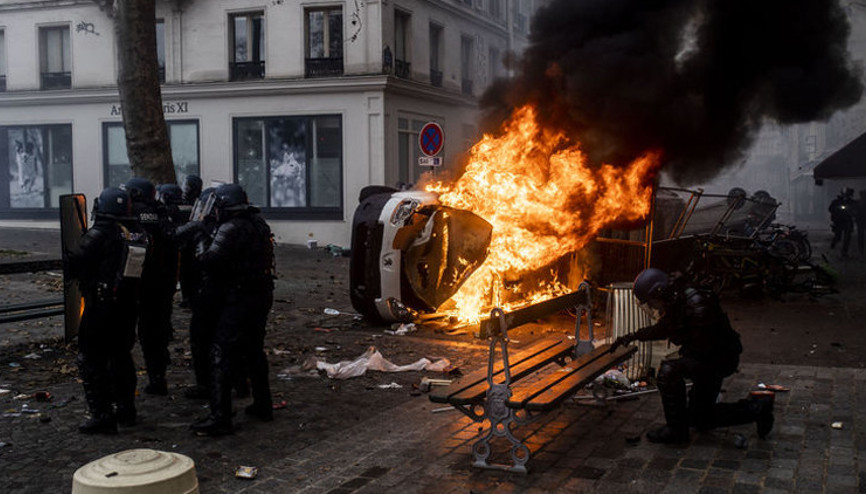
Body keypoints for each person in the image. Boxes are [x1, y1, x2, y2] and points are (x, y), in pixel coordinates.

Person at [611, 268, 773, 444]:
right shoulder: (678, 299)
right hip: (710, 358)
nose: (653, 307)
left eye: (652, 301)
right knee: (700, 418)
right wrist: (631, 337)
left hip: (717, 360)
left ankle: (676, 432)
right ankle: (757, 408)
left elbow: (703, 346)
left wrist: (683, 364)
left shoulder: (696, 303)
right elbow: (665, 327)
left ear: (659, 291)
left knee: (669, 371)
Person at [189, 183, 275, 436]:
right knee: (255, 351)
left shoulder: (230, 228)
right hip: (261, 294)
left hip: (240, 297)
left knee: (222, 353)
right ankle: (263, 404)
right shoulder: (258, 224)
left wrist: (203, 237)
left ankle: (221, 416)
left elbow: (208, 261)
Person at [68, 187, 147, 434]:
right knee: (121, 356)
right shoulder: (137, 233)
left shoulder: (100, 233)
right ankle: (126, 409)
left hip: (101, 306)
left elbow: (74, 262)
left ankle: (102, 415)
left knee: (91, 358)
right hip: (127, 305)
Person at [125, 177, 178, 395]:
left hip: (134, 283)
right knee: (154, 332)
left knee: (129, 335)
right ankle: (158, 378)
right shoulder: (161, 212)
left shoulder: (130, 213)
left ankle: (126, 392)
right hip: (160, 282)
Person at [179, 175, 203, 307]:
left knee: (193, 271)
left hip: (194, 240)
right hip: (184, 240)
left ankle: (192, 297)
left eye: (187, 186)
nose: (185, 189)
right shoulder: (180, 200)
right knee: (184, 271)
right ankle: (186, 297)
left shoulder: (199, 201)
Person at [829, 188, 856, 258]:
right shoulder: (837, 201)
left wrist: (852, 212)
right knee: (838, 236)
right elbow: (831, 208)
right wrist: (837, 210)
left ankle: (844, 252)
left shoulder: (851, 202)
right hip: (839, 221)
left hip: (848, 222)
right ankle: (833, 244)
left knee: (847, 238)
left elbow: (855, 210)